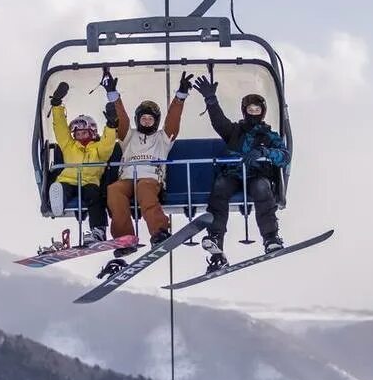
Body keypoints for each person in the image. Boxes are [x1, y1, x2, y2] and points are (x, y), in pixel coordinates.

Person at [191, 77, 290, 270]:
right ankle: (216, 238)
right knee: (220, 187)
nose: (253, 113)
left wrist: (264, 152)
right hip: (234, 174)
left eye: (257, 110)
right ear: (244, 111)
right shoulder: (234, 130)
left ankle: (270, 237)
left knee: (262, 189)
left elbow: (284, 156)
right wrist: (211, 100)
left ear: (262, 113)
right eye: (250, 110)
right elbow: (219, 122)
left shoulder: (269, 136)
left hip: (256, 175)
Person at [100, 69, 192, 275]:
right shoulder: (128, 136)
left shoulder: (162, 138)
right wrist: (113, 95)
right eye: (143, 119)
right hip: (126, 179)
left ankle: (159, 232)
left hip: (150, 178)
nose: (147, 122)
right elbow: (121, 119)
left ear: (156, 121)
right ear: (138, 120)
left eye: (150, 119)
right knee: (114, 191)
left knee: (145, 190)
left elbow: (173, 121)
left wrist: (180, 97)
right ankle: (125, 238)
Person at [48, 80, 118, 242]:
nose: (80, 136)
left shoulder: (99, 148)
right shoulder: (69, 146)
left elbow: (109, 142)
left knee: (95, 197)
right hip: (68, 179)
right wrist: (57, 106)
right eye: (77, 134)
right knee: (62, 188)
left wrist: (111, 124)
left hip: (89, 181)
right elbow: (60, 129)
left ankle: (98, 230)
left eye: (83, 133)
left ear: (92, 132)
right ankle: (58, 201)